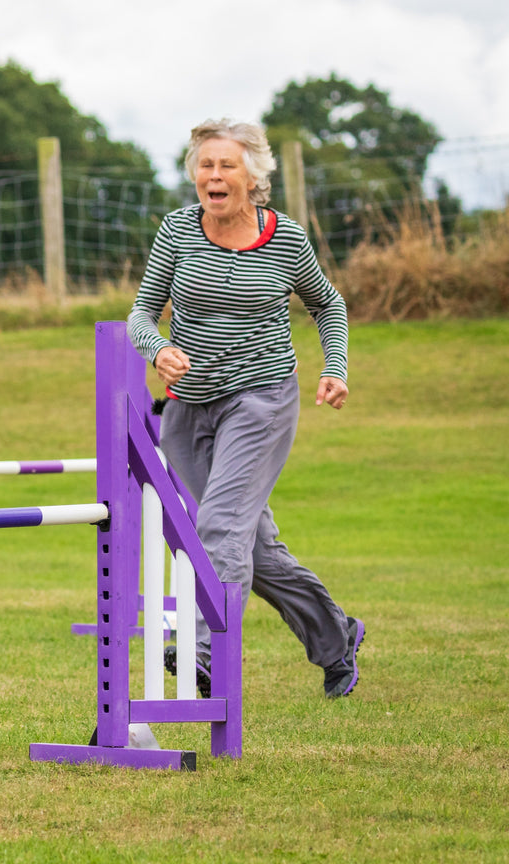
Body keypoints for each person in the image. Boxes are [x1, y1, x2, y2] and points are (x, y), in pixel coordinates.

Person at [126, 118, 364, 699]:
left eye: (226, 165)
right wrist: (159, 351)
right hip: (188, 409)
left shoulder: (286, 239)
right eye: (205, 165)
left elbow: (328, 307)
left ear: (252, 175)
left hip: (261, 400)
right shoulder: (177, 231)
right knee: (250, 546)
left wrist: (335, 368)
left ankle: (205, 651)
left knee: (220, 526)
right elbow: (140, 316)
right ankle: (338, 637)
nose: (214, 175)